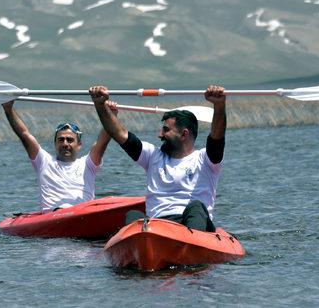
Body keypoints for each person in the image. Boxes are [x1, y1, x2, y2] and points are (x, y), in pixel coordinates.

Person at [88, 85, 227, 231]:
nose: (160, 135)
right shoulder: (152, 156)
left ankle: (193, 247)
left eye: (166, 130)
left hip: (193, 224)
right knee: (133, 215)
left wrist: (219, 105)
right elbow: (120, 134)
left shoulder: (205, 159)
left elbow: (217, 137)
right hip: (158, 227)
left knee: (196, 207)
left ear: (184, 134)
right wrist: (100, 105)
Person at [2, 100, 116, 213]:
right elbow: (24, 134)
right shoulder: (43, 161)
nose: (65, 144)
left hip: (83, 213)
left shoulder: (88, 164)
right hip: (53, 216)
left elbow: (103, 141)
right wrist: (8, 109)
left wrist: (110, 115)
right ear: (55, 143)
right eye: (61, 140)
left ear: (79, 145)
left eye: (70, 140)